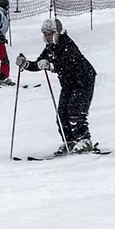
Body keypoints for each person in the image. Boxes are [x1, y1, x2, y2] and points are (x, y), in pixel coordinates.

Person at [18, 19, 97, 152]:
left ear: (57, 33)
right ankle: (69, 141)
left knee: (75, 112)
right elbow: (39, 64)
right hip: (68, 83)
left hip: (83, 80)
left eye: (51, 33)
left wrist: (51, 65)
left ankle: (84, 140)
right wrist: (26, 64)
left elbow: (68, 64)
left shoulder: (67, 44)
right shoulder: (50, 48)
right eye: (46, 34)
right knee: (61, 113)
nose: (48, 37)